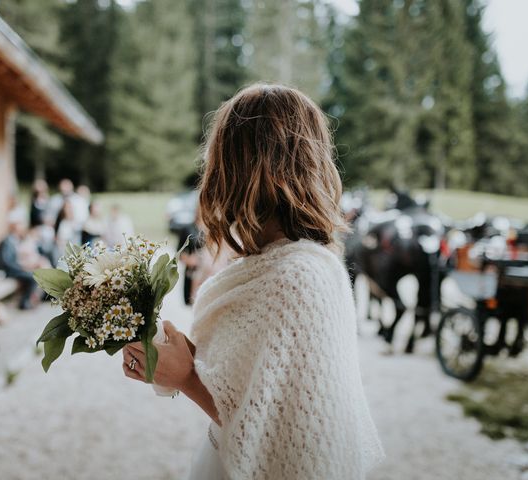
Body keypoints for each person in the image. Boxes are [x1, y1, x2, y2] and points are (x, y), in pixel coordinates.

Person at [121, 84, 384, 479]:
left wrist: (188, 378)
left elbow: (281, 439)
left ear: (238, 169)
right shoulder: (270, 262)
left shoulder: (299, 277)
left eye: (218, 159)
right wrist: (174, 358)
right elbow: (249, 382)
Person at [0, 214, 47, 310]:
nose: (21, 227)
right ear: (13, 226)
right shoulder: (7, 241)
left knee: (35, 273)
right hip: (9, 271)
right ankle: (24, 302)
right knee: (32, 277)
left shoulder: (15, 239)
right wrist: (21, 268)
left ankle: (32, 299)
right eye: (19, 224)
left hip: (16, 269)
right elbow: (6, 262)